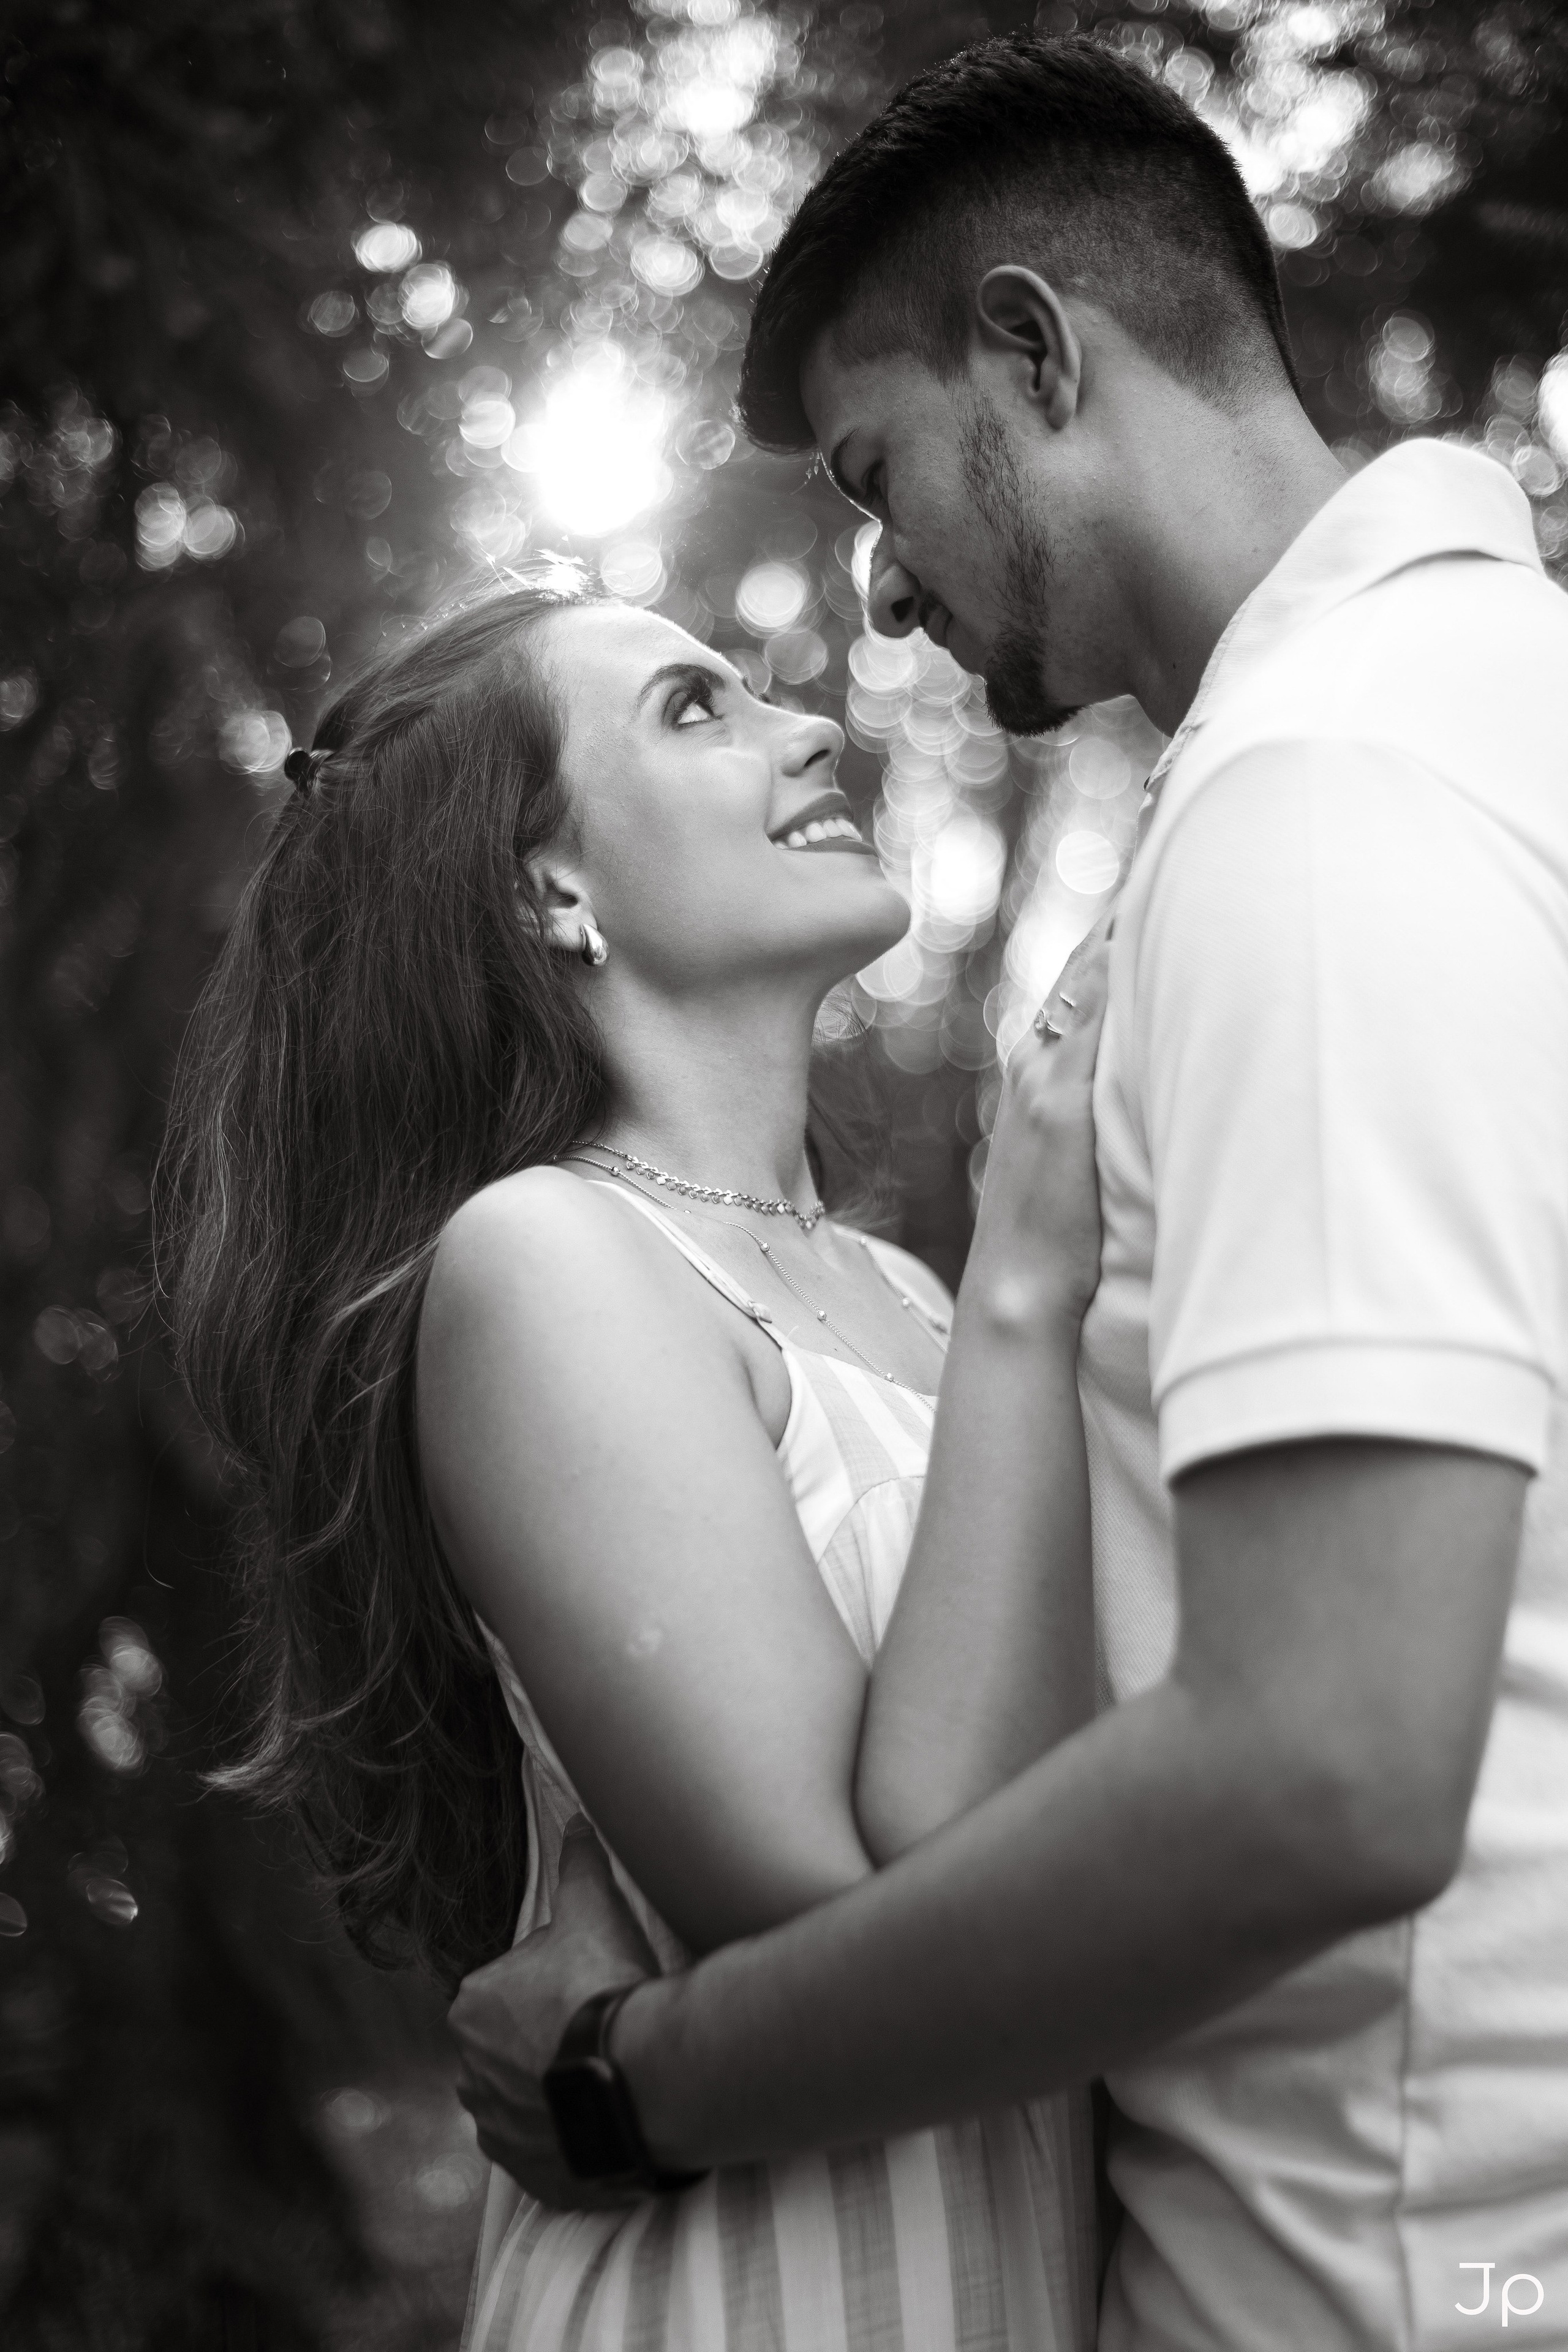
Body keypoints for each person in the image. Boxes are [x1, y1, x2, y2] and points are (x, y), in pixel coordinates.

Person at [447, 32, 1568, 2352]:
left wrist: (649, 2073)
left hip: (1380, 2267)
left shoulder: (1324, 797)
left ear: (1035, 354)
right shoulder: (1492, 720)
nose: (872, 625)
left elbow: (1323, 1758)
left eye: (879, 479)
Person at [163, 576, 1121, 2350]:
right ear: (548, 890)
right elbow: (842, 1917)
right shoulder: (547, 1259)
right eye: (695, 712)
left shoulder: (908, 1294)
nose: (811, 724)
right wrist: (1040, 1274)